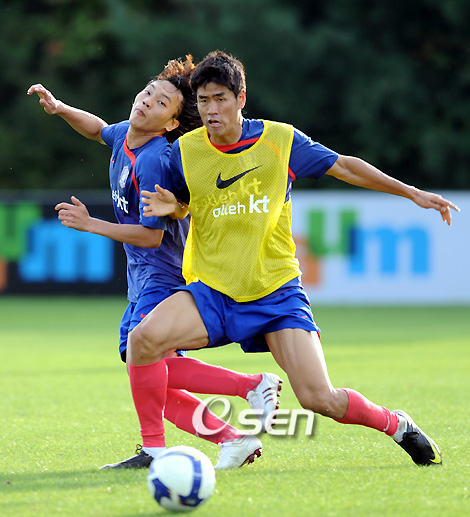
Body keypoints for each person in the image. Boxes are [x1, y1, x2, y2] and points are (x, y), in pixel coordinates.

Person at [129, 50, 461, 468]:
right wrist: (175, 208)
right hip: (214, 291)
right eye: (204, 101)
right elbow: (181, 204)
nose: (211, 110)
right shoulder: (185, 151)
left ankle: (396, 424)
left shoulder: (280, 140)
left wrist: (412, 192)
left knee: (320, 398)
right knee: (141, 342)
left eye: (220, 99)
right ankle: (155, 451)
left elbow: (345, 167)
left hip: (275, 293)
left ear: (240, 98)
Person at [27, 56, 283, 471]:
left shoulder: (154, 160)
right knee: (149, 373)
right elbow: (96, 128)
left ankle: (239, 395)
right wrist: (60, 108)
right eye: (148, 92)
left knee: (143, 362)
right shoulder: (127, 135)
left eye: (161, 102)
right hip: (143, 277)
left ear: (170, 123)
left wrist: (92, 225)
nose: (147, 101)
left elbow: (153, 236)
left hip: (163, 278)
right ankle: (232, 436)